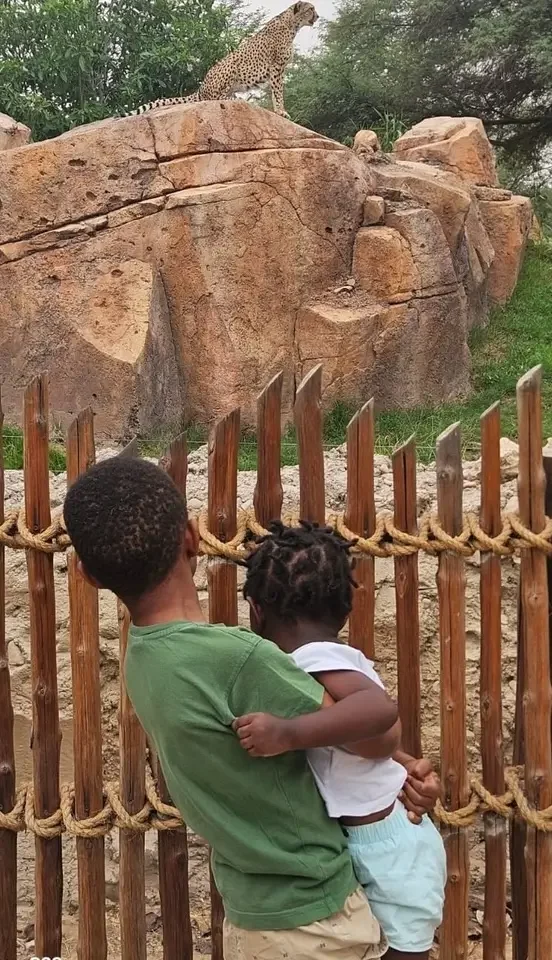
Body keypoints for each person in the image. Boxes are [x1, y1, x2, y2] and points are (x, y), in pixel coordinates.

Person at [64, 456, 418, 960]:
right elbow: (379, 736)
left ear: (86, 575)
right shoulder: (237, 659)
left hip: (254, 917)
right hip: (315, 917)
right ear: (192, 537)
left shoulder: (144, 659)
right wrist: (395, 758)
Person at [238, 521, 446, 960]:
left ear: (256, 611)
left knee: (407, 951)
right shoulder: (328, 660)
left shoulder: (311, 661)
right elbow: (361, 737)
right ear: (345, 610)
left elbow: (379, 711)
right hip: (378, 839)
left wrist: (286, 733)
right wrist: (404, 761)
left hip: (389, 846)